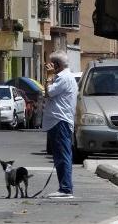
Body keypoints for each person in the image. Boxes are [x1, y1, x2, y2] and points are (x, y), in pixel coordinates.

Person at [42, 50, 78, 199]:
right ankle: (64, 187)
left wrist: (49, 76)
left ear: (56, 64)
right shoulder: (63, 77)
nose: (48, 66)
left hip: (60, 121)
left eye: (50, 64)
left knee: (63, 155)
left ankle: (65, 188)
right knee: (59, 155)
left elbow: (49, 93)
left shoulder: (63, 78)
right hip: (58, 121)